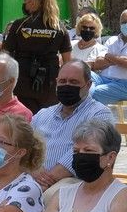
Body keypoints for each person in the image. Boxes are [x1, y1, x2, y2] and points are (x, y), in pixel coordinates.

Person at [31, 60, 114, 194]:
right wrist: (33, 171)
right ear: (56, 82)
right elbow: (25, 145)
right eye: (62, 81)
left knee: (49, 195)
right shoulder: (43, 114)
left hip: (73, 181)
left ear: (88, 85)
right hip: (35, 177)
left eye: (74, 82)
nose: (67, 86)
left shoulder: (99, 114)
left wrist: (48, 179)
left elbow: (86, 151)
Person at [3, 0, 72, 112]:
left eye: (26, 0)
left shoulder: (19, 25)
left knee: (23, 119)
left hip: (22, 79)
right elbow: (68, 61)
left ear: (33, 2)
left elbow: (5, 55)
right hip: (50, 81)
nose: (24, 4)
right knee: (47, 121)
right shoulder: (59, 28)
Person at [89, 9, 127, 105]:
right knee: (83, 75)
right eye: (124, 22)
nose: (126, 25)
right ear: (120, 24)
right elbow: (97, 64)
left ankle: (84, 115)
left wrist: (109, 56)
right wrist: (120, 60)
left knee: (96, 92)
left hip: (123, 84)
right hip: (102, 78)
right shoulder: (112, 40)